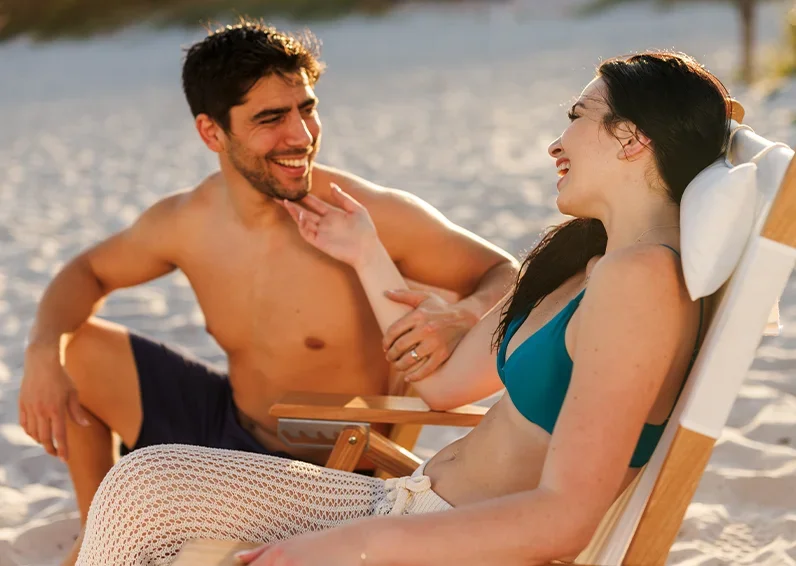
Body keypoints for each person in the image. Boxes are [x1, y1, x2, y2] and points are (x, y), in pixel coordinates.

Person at [74, 50, 731, 566]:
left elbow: (566, 518)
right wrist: (366, 255)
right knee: (145, 486)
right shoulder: (591, 259)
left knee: (144, 501)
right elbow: (443, 384)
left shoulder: (639, 281)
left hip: (436, 536)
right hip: (409, 501)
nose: (557, 144)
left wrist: (356, 545)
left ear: (632, 139)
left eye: (578, 115)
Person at [17, 20, 519, 565]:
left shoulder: (363, 215)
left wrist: (464, 313)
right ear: (212, 133)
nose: (301, 135)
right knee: (77, 346)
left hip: (316, 474)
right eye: (271, 118)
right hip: (225, 423)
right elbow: (86, 270)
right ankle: (99, 537)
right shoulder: (188, 220)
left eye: (306, 108)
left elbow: (504, 269)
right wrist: (45, 351)